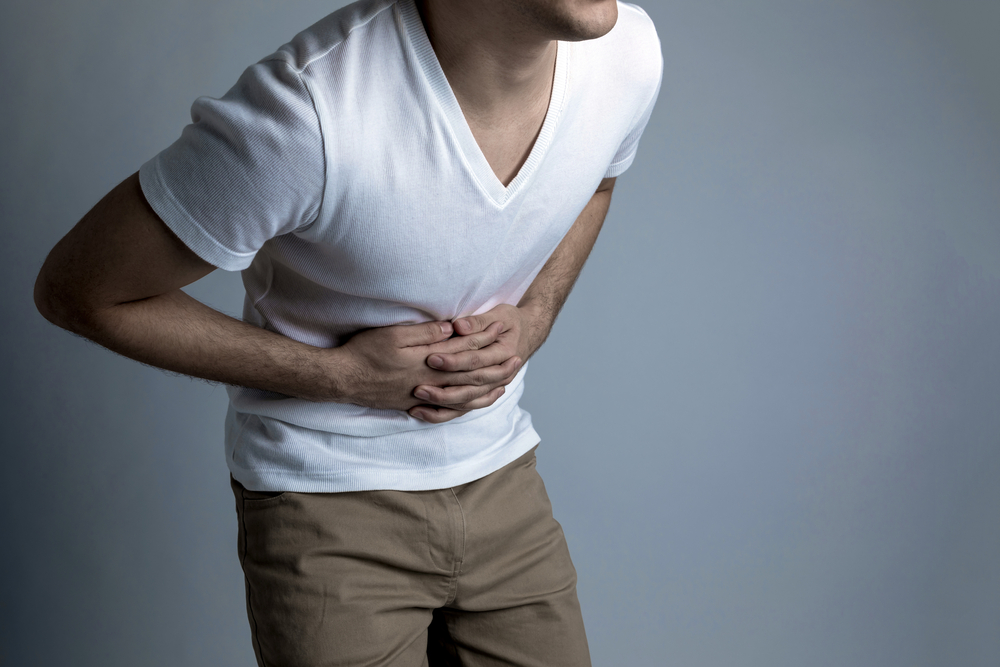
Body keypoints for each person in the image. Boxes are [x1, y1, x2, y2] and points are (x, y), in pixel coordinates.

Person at [34, 0, 661, 663]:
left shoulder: (629, 56)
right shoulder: (309, 111)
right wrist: (343, 376)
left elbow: (598, 180)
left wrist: (533, 318)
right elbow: (80, 290)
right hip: (327, 500)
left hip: (502, 476)